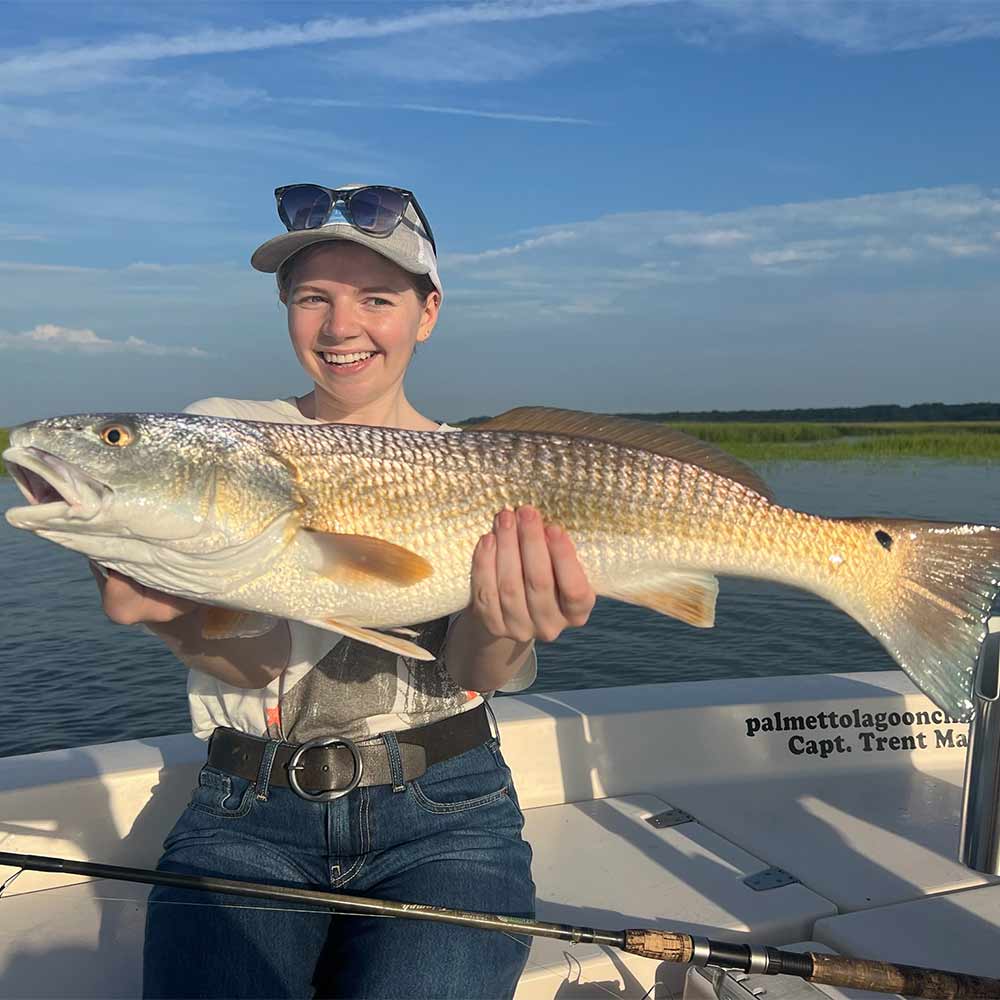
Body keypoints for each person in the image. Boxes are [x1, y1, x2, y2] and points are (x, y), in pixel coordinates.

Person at [91, 182, 597, 999]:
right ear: (286, 310)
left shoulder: (487, 464)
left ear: (428, 313)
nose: (340, 327)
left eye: (377, 298)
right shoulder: (223, 433)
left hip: (450, 816)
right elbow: (254, 670)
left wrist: (510, 623)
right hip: (245, 812)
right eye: (312, 298)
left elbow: (475, 670)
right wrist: (172, 620)